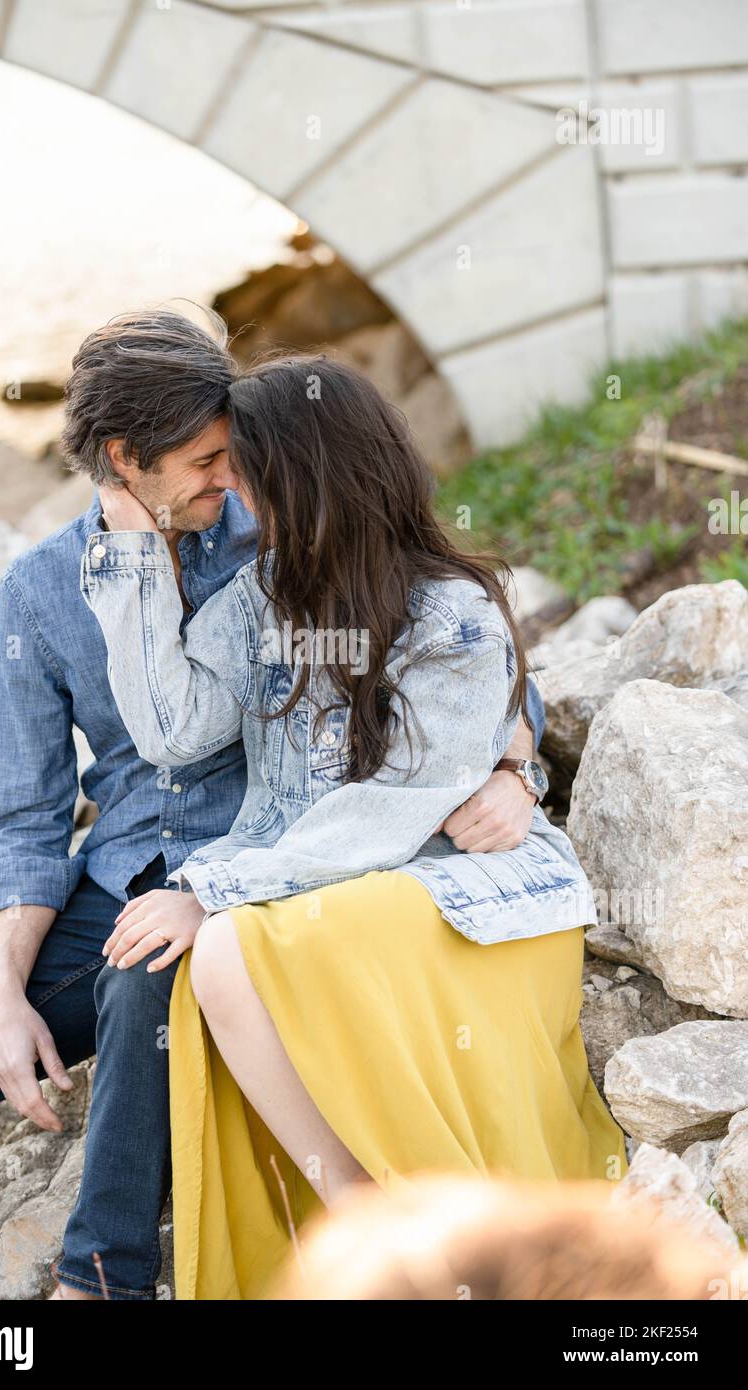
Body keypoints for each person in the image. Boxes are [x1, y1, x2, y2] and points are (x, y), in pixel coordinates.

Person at [0, 312, 544, 1302]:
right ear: (124, 459)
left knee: (145, 985)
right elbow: (25, 818)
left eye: (230, 457)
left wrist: (511, 765)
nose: (224, 481)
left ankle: (100, 1280)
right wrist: (2, 990)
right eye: (201, 461)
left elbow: (442, 623)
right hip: (118, 875)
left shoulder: (284, 520)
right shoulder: (40, 590)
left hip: (262, 862)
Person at [82, 353, 627, 1301]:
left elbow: (402, 804)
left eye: (252, 478)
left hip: (459, 883)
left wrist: (209, 887)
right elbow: (175, 730)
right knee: (203, 958)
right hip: (333, 885)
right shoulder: (264, 594)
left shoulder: (447, 610)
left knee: (220, 949)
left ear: (312, 477)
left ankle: (360, 1213)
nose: (239, 497)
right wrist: (131, 546)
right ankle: (361, 1216)